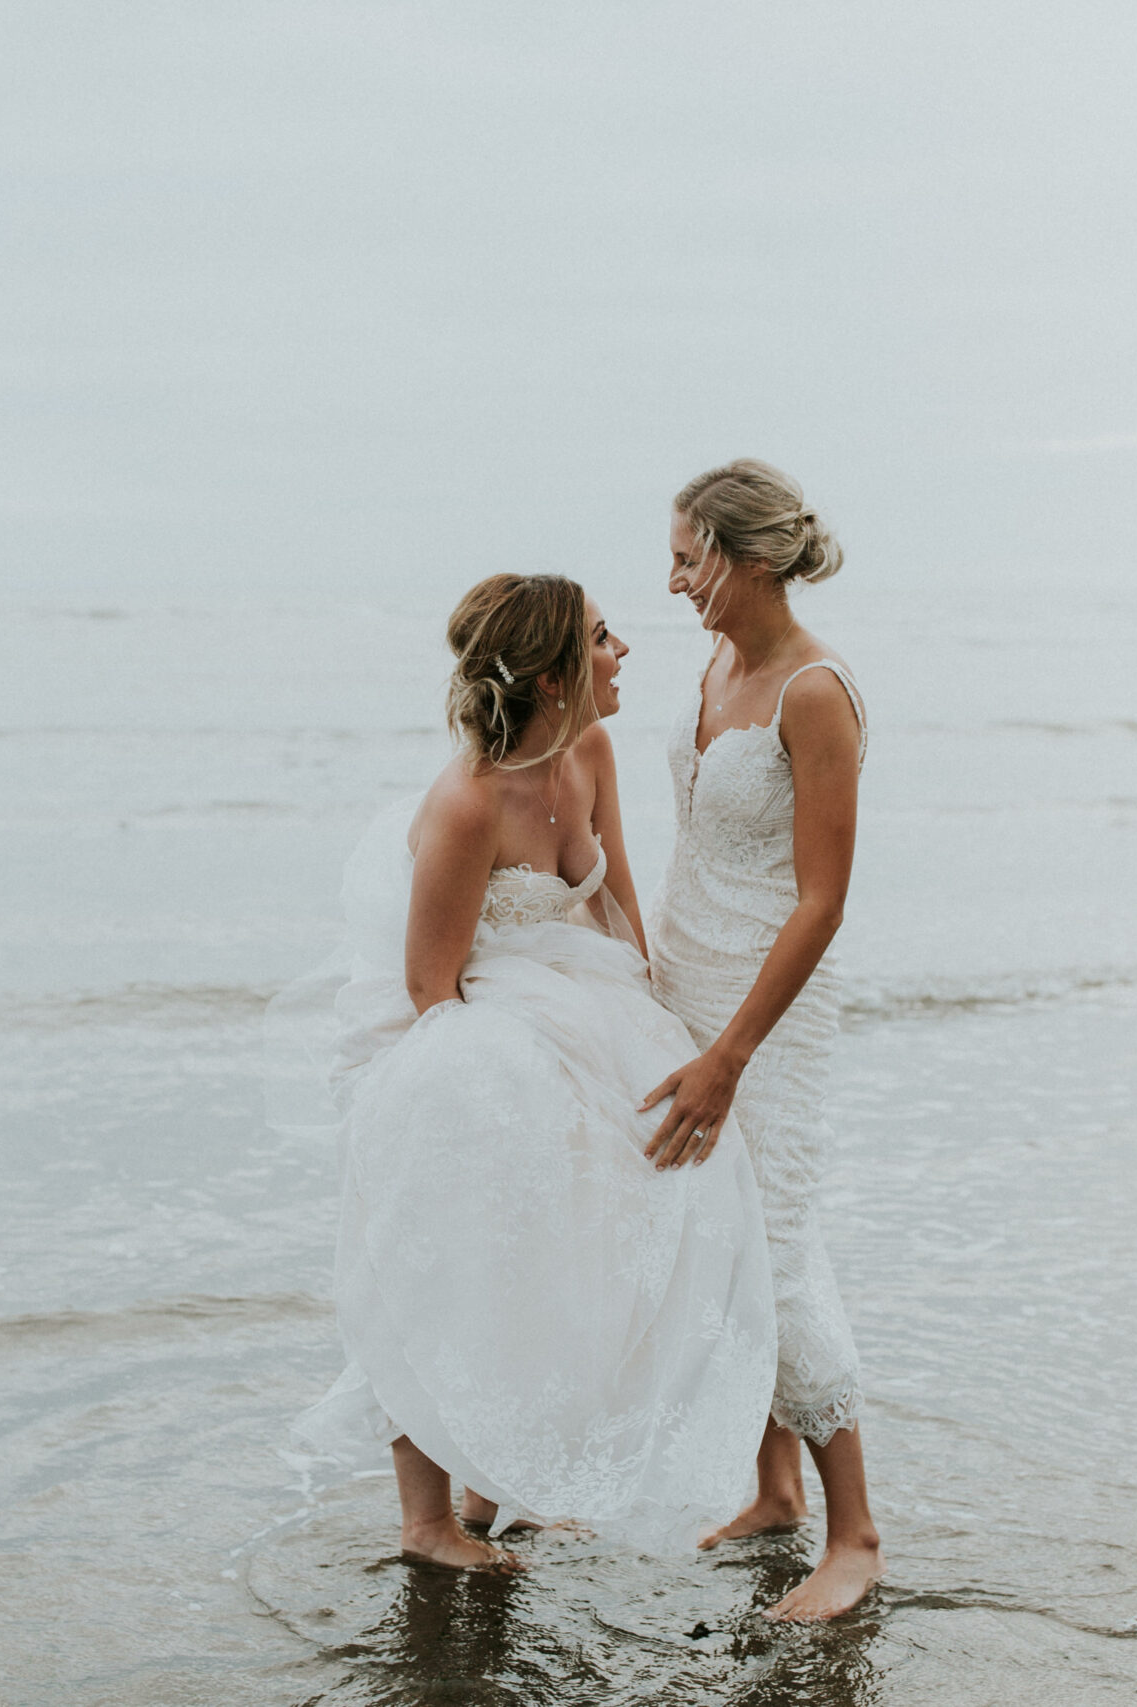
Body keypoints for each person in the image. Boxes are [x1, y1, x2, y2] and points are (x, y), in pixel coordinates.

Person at [289, 572, 777, 1568]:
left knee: (594, 1234)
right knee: (448, 1257)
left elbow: (615, 900)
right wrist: (518, 1098)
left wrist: (656, 1029)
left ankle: (504, 1474)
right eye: (603, 639)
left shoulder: (589, 750)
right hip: (462, 1035)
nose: (623, 653)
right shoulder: (469, 804)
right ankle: (428, 1526)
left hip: (573, 998)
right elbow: (431, 987)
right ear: (554, 676)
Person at [642, 459, 884, 1619]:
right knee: (717, 1238)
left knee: (775, 1249)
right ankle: (773, 1488)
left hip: (768, 1014)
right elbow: (692, 842)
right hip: (689, 984)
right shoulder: (716, 661)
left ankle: (857, 1534)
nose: (675, 577)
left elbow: (822, 900)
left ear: (747, 560)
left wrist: (732, 1053)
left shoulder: (814, 691)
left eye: (690, 556)